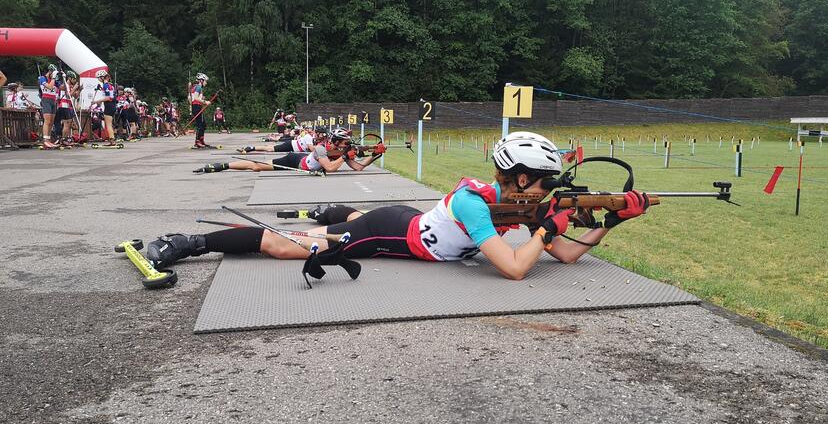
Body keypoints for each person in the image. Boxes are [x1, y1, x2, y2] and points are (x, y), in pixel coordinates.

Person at [147, 132, 650, 280]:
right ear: (522, 178)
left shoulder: (513, 203)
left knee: (349, 220)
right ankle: (188, 242)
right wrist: (545, 231)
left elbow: (563, 256)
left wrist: (608, 222)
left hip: (412, 219)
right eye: (544, 185)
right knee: (291, 248)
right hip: (394, 233)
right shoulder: (479, 207)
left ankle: (336, 210)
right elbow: (518, 269)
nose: (546, 193)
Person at [193, 128, 381, 174]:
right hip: (294, 161)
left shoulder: (340, 152)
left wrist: (375, 155)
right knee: (256, 167)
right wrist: (345, 156)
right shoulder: (321, 148)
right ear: (338, 142)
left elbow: (358, 167)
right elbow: (330, 169)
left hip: (303, 161)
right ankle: (222, 166)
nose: (347, 146)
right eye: (345, 143)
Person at [237, 125, 326, 154]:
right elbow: (312, 149)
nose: (323, 136)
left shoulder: (314, 138)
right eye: (322, 134)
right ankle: (250, 148)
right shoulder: (309, 137)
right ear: (317, 133)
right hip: (291, 145)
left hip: (293, 147)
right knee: (270, 149)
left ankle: (251, 148)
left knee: (270, 147)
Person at [91, 70, 116, 144]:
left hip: (109, 105)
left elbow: (108, 98)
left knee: (108, 124)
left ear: (102, 77)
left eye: (98, 78)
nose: (98, 79)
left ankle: (112, 140)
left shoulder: (105, 85)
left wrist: (95, 101)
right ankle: (112, 139)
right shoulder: (109, 85)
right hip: (112, 105)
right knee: (109, 124)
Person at [38, 64, 59, 147]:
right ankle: (45, 140)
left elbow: (62, 88)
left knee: (51, 121)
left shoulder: (54, 79)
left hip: (53, 100)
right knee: (47, 120)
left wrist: (64, 78)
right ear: (50, 71)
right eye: (53, 73)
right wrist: (53, 78)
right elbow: (50, 87)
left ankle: (49, 139)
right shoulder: (42, 78)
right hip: (46, 99)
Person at [189, 73, 212, 148]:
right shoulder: (198, 87)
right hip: (196, 107)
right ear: (201, 81)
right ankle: (197, 142)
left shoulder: (195, 87)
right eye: (205, 81)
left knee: (203, 124)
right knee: (200, 125)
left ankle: (201, 140)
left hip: (195, 106)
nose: (206, 83)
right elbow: (195, 98)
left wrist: (202, 99)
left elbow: (190, 98)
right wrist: (205, 102)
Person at [57, 70, 81, 141]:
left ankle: (66, 138)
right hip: (64, 105)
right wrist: (74, 88)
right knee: (67, 124)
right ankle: (63, 139)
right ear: (69, 78)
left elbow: (75, 96)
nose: (74, 81)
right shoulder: (65, 85)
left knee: (69, 124)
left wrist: (79, 90)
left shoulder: (70, 86)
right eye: (73, 79)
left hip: (68, 106)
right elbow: (68, 95)